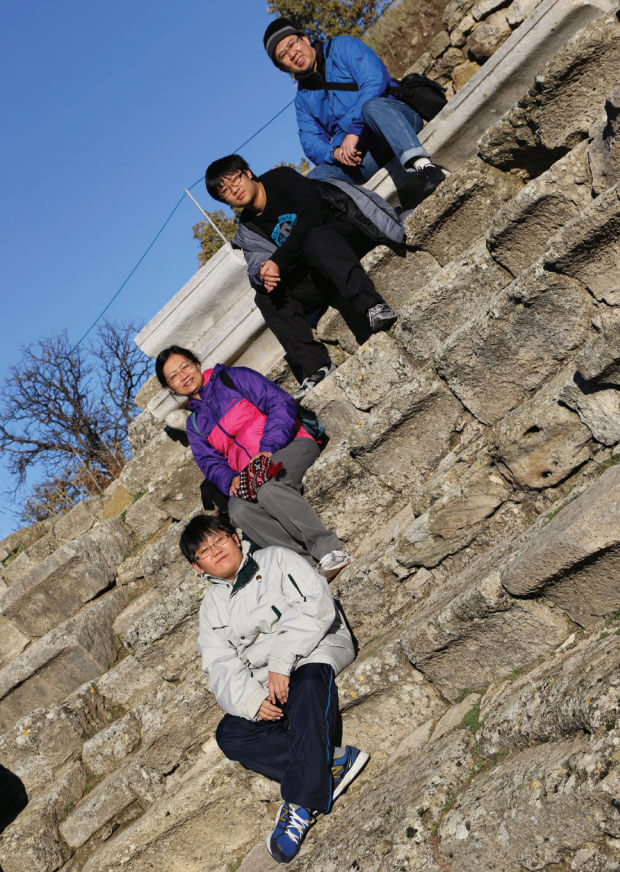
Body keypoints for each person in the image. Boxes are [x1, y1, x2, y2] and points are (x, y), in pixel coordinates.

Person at [179, 514, 369, 864]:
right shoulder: (211, 610)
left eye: (219, 540)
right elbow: (219, 667)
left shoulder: (277, 559)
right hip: (267, 680)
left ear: (235, 538)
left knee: (309, 683)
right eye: (205, 550)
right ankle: (331, 762)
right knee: (231, 733)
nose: (216, 550)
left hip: (316, 647)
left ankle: (300, 804)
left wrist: (282, 663)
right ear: (197, 567)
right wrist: (251, 700)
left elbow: (315, 606)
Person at [205, 154, 405, 399]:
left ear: (247, 173)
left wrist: (278, 260)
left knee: (315, 239)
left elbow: (314, 215)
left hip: (346, 238)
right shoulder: (247, 229)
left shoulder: (281, 179)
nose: (232, 190)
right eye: (223, 191)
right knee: (265, 297)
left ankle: (372, 306)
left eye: (234, 180)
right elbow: (255, 262)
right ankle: (316, 367)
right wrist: (263, 274)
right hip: (317, 269)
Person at [155, 345, 352, 577]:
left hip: (291, 444)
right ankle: (304, 567)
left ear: (197, 365)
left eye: (185, 366)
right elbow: (210, 463)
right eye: (174, 376)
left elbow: (280, 403)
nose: (184, 376)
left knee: (268, 489)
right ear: (170, 388)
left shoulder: (234, 378)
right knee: (238, 510)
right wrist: (231, 478)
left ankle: (329, 549)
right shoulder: (195, 424)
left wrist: (268, 448)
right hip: (252, 475)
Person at [263, 17, 446, 196]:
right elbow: (310, 141)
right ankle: (359, 221)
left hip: (398, 123)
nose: (292, 54)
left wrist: (353, 131)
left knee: (371, 106)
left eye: (292, 44)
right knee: (315, 178)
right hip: (364, 157)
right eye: (283, 55)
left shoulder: (342, 46)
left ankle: (424, 168)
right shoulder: (303, 100)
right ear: (282, 68)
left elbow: (375, 80)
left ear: (304, 38)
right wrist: (335, 152)